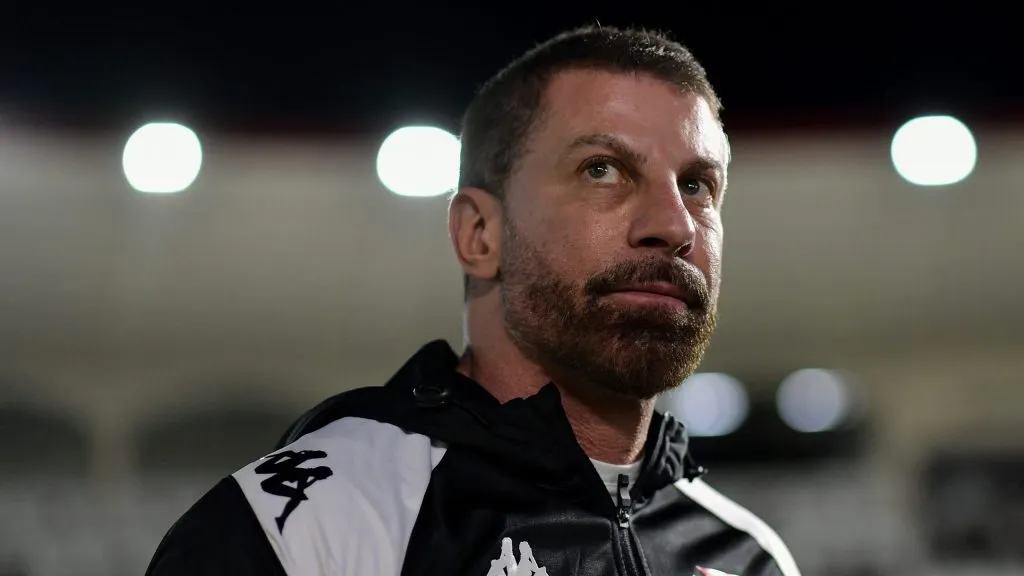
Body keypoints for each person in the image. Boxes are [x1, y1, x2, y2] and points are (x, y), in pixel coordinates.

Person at [145, 26, 801, 576]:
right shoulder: (301, 532)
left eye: (696, 184)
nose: (675, 224)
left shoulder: (752, 559)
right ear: (479, 234)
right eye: (602, 168)